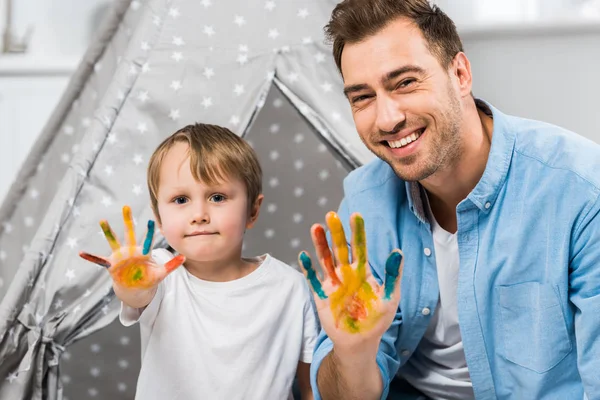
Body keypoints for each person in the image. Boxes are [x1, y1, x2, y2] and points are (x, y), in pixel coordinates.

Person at [298, 1, 600, 399]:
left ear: (460, 74)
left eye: (404, 82)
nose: (387, 119)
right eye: (362, 97)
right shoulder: (363, 203)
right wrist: (353, 351)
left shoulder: (579, 189)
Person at [80, 123, 318, 400]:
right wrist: (131, 282)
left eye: (217, 197)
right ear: (159, 217)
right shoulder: (159, 272)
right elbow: (136, 294)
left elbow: (309, 386)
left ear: (253, 210)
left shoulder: (290, 287)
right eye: (181, 199)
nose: (199, 214)